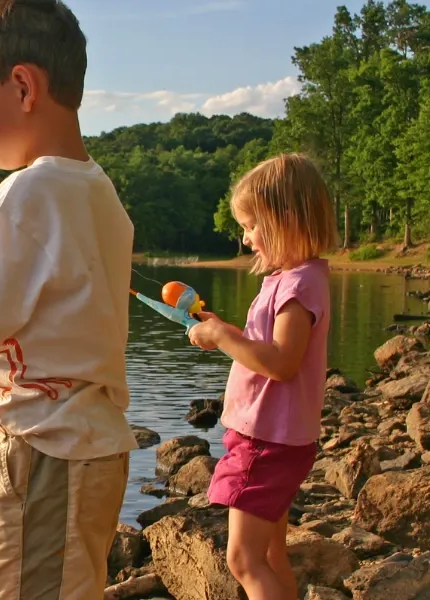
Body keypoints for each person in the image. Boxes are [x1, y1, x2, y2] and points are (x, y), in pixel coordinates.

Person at [0, 1, 138, 597]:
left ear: (23, 86)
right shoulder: (98, 191)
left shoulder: (28, 191)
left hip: (47, 449)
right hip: (93, 442)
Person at [187, 152, 339, 600]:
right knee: (271, 554)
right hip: (273, 437)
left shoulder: (298, 286)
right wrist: (228, 332)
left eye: (253, 225)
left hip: (267, 441)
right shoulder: (291, 279)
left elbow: (281, 362)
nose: (247, 237)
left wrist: (221, 336)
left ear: (285, 219)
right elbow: (265, 346)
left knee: (243, 559)